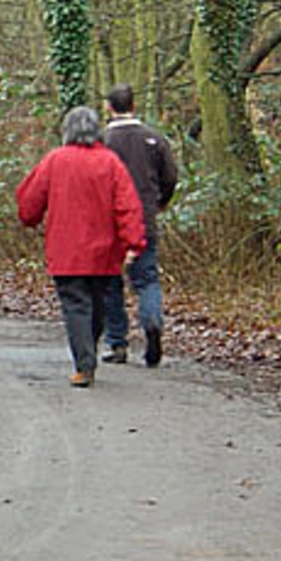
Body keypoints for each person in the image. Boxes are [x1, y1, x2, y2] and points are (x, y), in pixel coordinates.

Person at [16, 106, 146, 388]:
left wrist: (30, 218)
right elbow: (128, 206)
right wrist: (134, 242)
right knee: (97, 306)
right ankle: (87, 357)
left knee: (77, 307)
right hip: (104, 252)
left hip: (66, 251)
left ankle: (84, 364)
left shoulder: (55, 160)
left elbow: (30, 199)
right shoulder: (110, 162)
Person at [99, 84, 178, 367]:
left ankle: (117, 342)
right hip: (144, 218)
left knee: (110, 281)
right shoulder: (154, 139)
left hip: (109, 221)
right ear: (133, 106)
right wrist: (159, 202)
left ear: (109, 107)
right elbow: (170, 176)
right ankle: (152, 321)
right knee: (147, 279)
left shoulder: (102, 141)